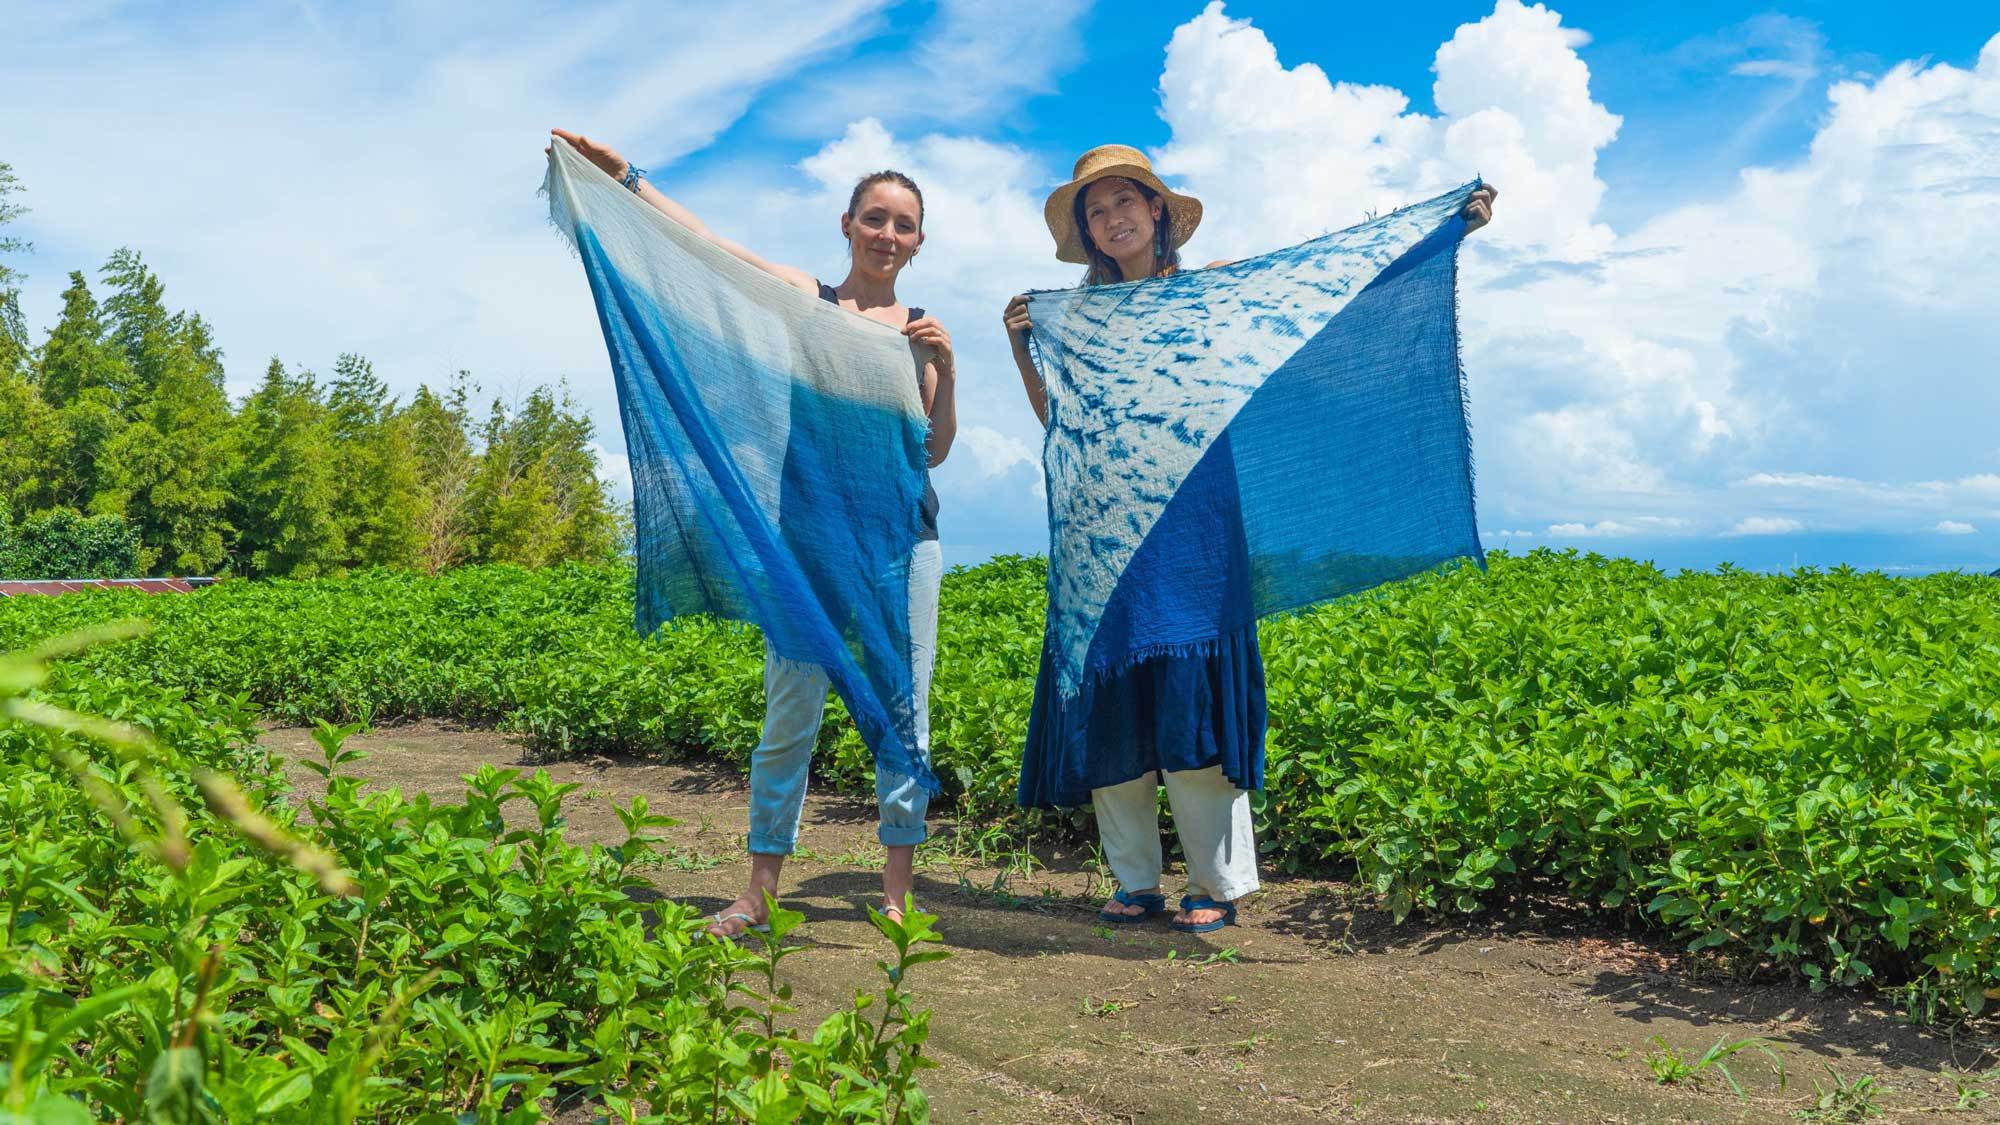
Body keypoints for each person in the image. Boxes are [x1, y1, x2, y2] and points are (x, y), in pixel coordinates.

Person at [1004, 144, 1495, 933]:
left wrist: (1440, 233)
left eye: (1126, 201)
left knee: (1193, 702)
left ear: (1158, 210)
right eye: (1096, 212)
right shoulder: (1081, 320)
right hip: (1102, 537)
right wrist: (1022, 347)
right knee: (1116, 704)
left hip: (1195, 525)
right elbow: (1062, 422)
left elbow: (1320, 290)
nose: (1112, 219)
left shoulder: (1212, 293)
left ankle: (1214, 883)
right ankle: (1134, 880)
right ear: (1086, 232)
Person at [548, 129, 957, 937]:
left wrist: (948, 369)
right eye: (874, 217)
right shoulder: (809, 303)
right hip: (804, 548)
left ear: (917, 241)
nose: (887, 234)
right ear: (847, 224)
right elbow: (710, 250)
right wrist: (627, 178)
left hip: (901, 549)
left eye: (903, 224)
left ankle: (897, 894)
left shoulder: (921, 334)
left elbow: (935, 449)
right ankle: (760, 889)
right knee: (788, 721)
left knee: (905, 717)